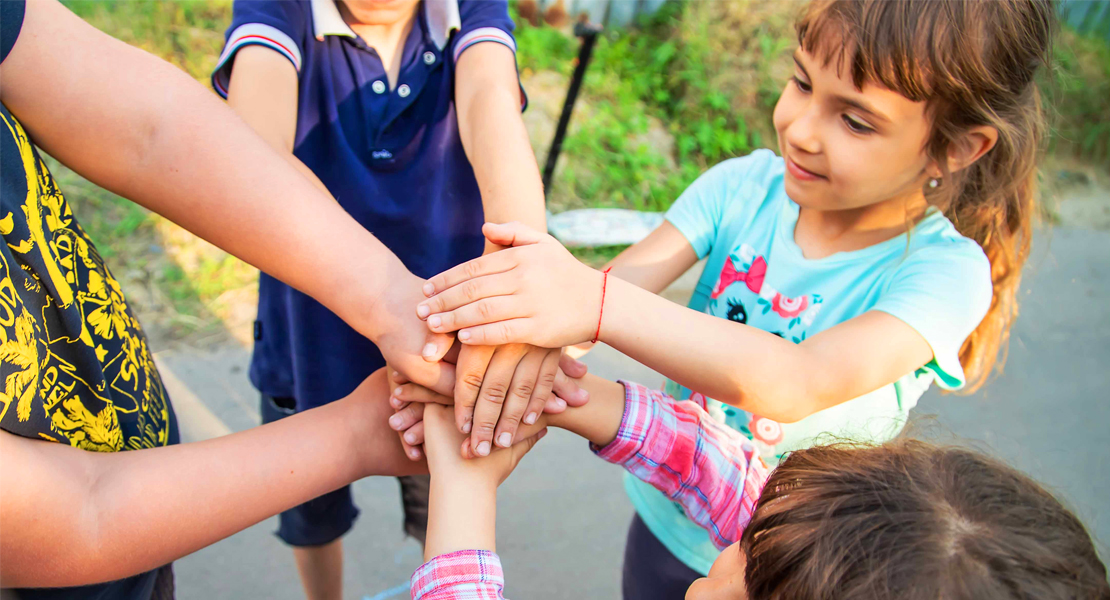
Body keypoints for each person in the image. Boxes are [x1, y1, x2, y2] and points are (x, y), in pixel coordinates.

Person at [407, 0, 1055, 595]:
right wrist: (484, 357)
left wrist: (588, 301)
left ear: (957, 146)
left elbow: (800, 378)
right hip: (668, 515)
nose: (800, 128)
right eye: (801, 82)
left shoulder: (945, 274)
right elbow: (601, 300)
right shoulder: (741, 188)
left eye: (855, 120)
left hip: (797, 566)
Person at [0, 0, 451, 596]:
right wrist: (356, 436)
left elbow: (148, 126)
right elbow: (75, 516)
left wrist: (392, 299)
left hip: (135, 520)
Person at [211, 1, 584, 596]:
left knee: (448, 499)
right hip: (311, 335)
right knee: (310, 516)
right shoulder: (278, 10)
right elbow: (249, 150)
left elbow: (490, 99)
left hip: (442, 348)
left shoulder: (471, 10)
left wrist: (523, 269)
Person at [411, 373, 1110, 600]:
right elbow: (725, 471)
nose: (699, 583)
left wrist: (464, 494)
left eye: (730, 586)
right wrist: (567, 395)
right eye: (745, 542)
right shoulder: (818, 562)